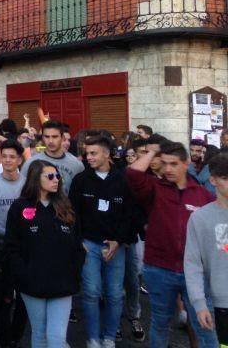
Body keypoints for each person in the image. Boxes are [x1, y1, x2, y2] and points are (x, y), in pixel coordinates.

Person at [127, 140, 217, 348]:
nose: (168, 169)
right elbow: (133, 174)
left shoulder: (202, 195)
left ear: (186, 163)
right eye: (164, 163)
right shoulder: (154, 189)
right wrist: (154, 151)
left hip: (194, 271)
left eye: (174, 164)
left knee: (204, 324)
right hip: (159, 268)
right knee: (160, 323)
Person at [4, 160, 84, 348]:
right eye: (50, 176)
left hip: (62, 284)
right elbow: (11, 246)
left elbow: (77, 244)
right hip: (32, 283)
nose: (56, 179)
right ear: (35, 179)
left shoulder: (66, 206)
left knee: (56, 338)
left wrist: (75, 272)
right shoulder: (19, 207)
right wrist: (23, 274)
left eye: (57, 176)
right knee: (39, 335)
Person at [69, 136, 136, 348]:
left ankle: (109, 337)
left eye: (93, 153)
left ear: (106, 154)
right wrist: (79, 240)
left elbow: (130, 213)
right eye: (87, 153)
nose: (88, 157)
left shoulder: (123, 180)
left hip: (115, 247)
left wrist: (118, 240)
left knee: (115, 294)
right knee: (90, 292)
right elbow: (72, 212)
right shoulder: (81, 180)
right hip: (89, 245)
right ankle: (92, 338)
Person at [0, 139, 27, 348]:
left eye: (12, 157)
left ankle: (15, 335)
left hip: (24, 249)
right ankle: (4, 339)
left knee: (24, 298)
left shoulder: (28, 185)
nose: (8, 161)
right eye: (5, 156)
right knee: (3, 298)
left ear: (20, 159)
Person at [184, 152, 228, 346]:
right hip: (221, 304)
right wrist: (199, 304)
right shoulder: (200, 218)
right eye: (226, 178)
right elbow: (193, 264)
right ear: (213, 179)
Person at [31, 120, 83, 194]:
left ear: (61, 137)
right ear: (42, 138)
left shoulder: (77, 165)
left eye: (55, 137)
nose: (51, 141)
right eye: (47, 137)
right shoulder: (31, 162)